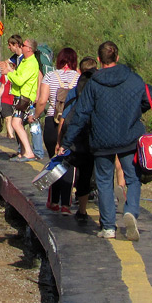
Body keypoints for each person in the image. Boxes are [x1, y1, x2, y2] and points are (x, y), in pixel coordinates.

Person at [58, 40, 152, 241]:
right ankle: (130, 212)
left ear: (99, 60)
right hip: (129, 136)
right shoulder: (132, 78)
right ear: (117, 57)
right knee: (132, 177)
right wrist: (134, 112)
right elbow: (151, 98)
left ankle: (109, 227)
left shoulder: (93, 83)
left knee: (104, 180)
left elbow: (81, 114)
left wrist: (66, 143)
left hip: (101, 139)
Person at [36, 47, 79, 212]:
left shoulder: (50, 76)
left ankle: (53, 200)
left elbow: (42, 101)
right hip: (70, 124)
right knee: (68, 162)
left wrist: (35, 116)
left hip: (52, 122)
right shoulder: (79, 78)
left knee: (54, 160)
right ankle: (66, 204)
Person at [59, 58, 97, 224]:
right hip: (96, 138)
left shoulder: (75, 90)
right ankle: (98, 213)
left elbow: (65, 117)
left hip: (76, 138)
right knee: (93, 174)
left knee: (72, 169)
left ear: (80, 71)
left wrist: (60, 141)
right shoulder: (100, 88)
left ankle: (74, 208)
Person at [0, 38, 40, 161]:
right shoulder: (24, 61)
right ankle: (23, 152)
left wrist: (8, 73)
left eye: (24, 45)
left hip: (24, 97)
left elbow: (19, 80)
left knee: (15, 123)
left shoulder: (31, 63)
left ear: (29, 49)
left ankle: (29, 152)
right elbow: (18, 75)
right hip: (19, 95)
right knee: (18, 123)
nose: (22, 47)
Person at [0, 35, 23, 151]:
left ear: (15, 45)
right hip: (14, 95)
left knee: (18, 121)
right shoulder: (15, 57)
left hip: (22, 93)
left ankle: (26, 149)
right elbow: (3, 63)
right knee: (14, 121)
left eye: (10, 45)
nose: (8, 47)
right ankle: (20, 149)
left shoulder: (24, 59)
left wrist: (9, 70)